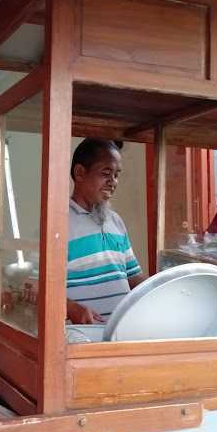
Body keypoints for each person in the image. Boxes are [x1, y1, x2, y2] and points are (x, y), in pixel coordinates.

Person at [66, 138, 144, 325]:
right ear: (80, 173)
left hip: (121, 331)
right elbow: (36, 288)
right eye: (105, 173)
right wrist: (70, 309)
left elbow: (132, 276)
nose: (113, 182)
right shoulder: (58, 223)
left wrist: (163, 290)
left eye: (116, 175)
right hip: (82, 336)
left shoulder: (115, 221)